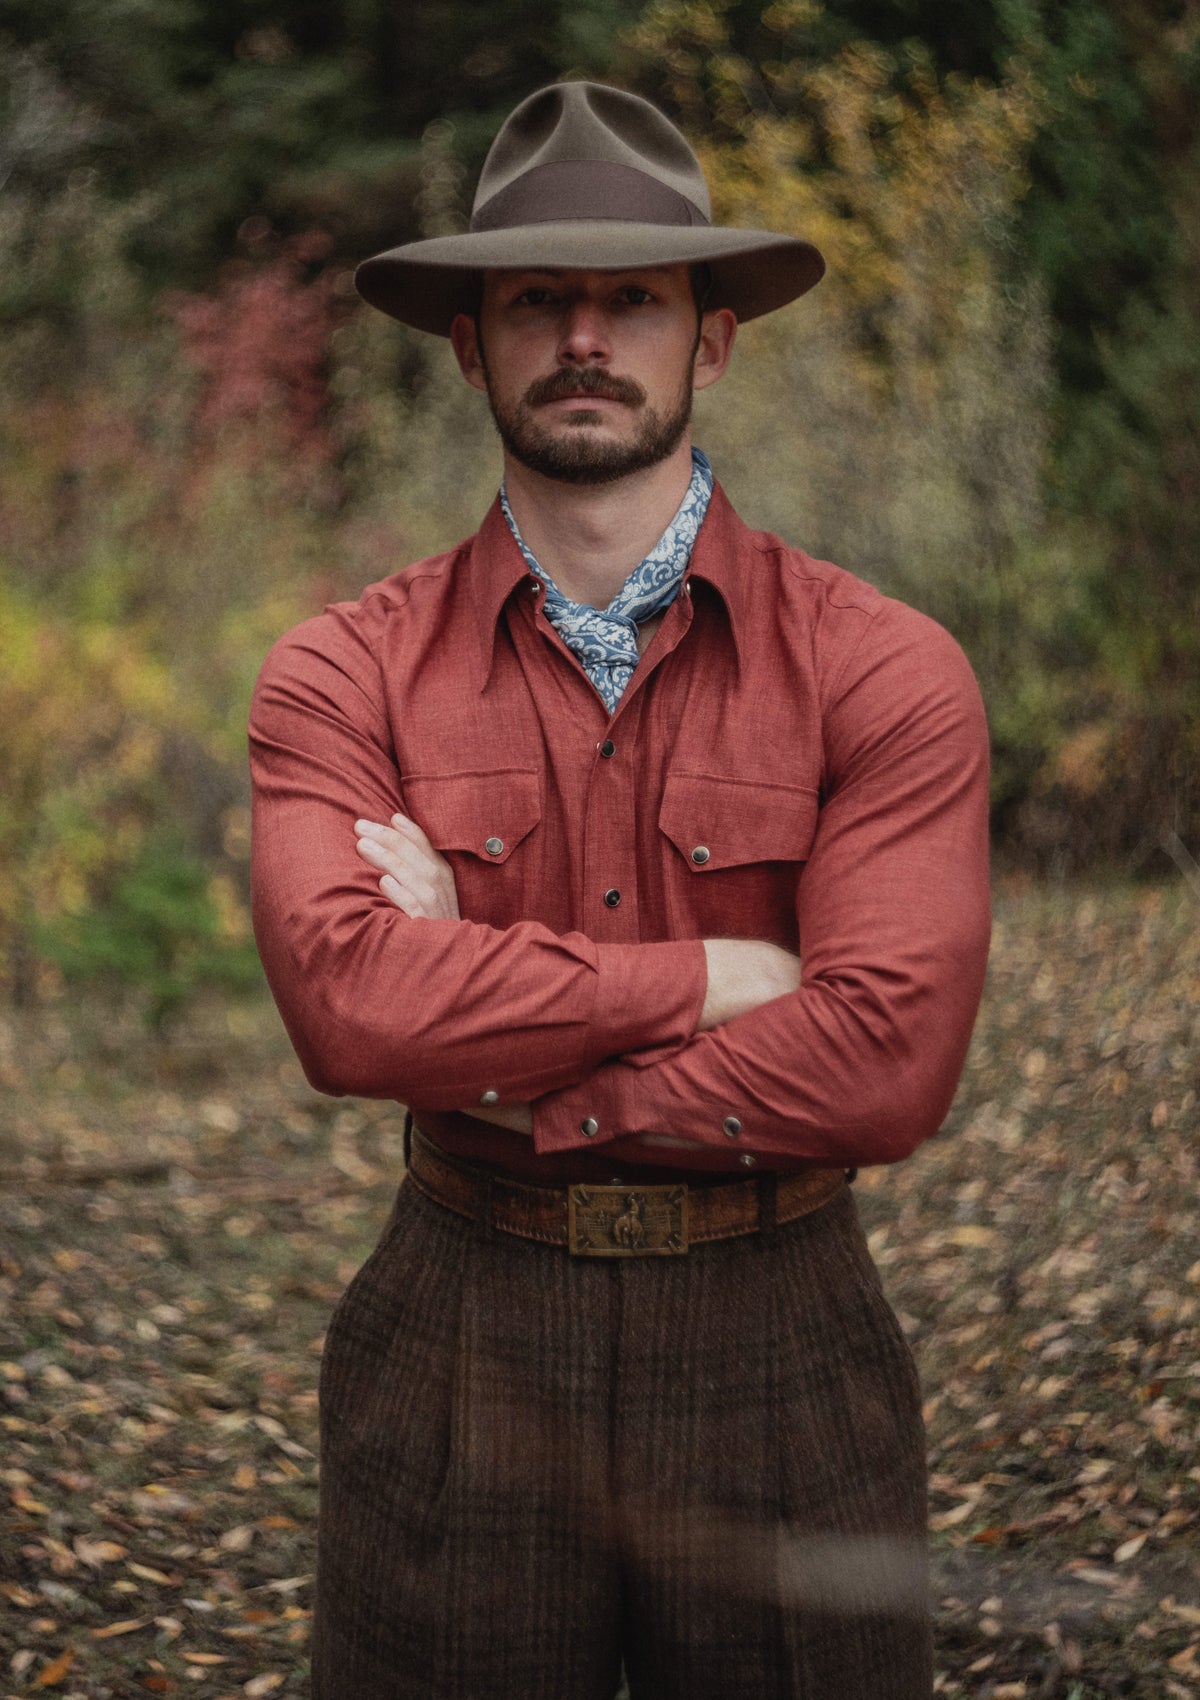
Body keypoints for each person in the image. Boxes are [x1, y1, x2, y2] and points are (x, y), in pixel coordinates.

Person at [249, 79, 990, 1700]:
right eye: (536, 300)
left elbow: (886, 1060)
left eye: (633, 298)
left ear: (710, 338)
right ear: (471, 344)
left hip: (784, 1333)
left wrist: (502, 1021)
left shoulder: (881, 667)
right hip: (461, 1329)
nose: (585, 335)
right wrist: (717, 976)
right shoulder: (341, 673)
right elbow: (350, 1010)